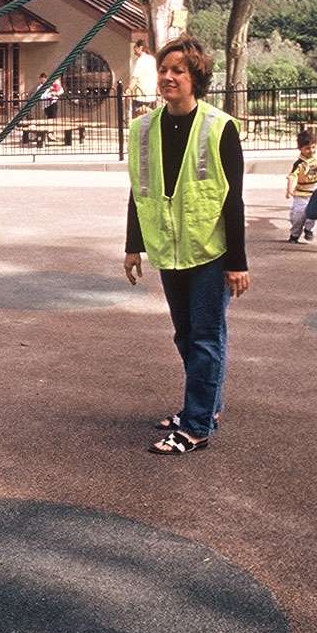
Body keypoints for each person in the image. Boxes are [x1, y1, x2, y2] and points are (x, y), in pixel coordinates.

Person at [123, 37, 248, 456]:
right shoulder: (143, 129)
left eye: (178, 70)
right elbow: (138, 191)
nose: (168, 77)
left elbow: (233, 198)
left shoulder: (219, 127)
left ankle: (195, 425)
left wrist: (238, 261)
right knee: (187, 336)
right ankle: (205, 406)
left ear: (196, 77)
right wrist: (132, 246)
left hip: (210, 250)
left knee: (206, 337)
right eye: (164, 70)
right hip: (169, 250)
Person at [284, 129, 317, 244]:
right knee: (298, 216)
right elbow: (292, 176)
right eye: (307, 148)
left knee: (312, 213)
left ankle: (309, 230)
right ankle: (295, 234)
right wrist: (290, 189)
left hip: (316, 194)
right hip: (301, 195)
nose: (311, 151)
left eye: (313, 147)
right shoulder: (299, 164)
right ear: (300, 149)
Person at [127, 38, 158, 116]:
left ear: (140, 47)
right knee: (149, 120)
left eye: (135, 47)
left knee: (139, 120)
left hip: (140, 96)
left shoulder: (140, 60)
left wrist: (127, 90)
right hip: (151, 95)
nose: (134, 50)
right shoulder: (152, 59)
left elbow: (135, 78)